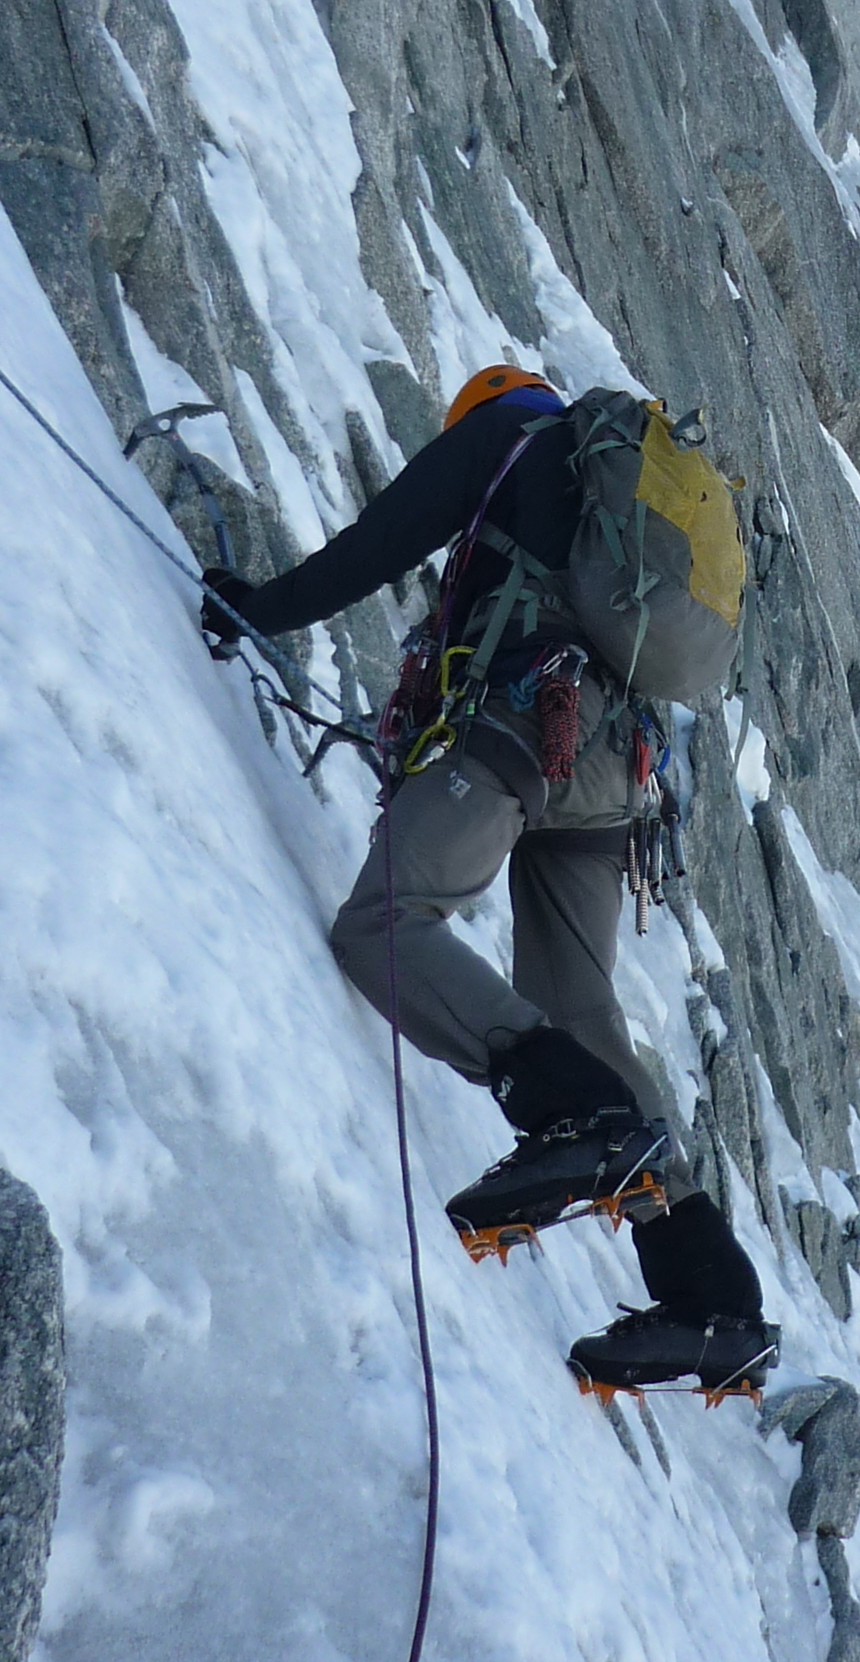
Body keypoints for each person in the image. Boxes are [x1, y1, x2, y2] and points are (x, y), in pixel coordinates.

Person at [203, 361, 776, 1401]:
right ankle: (712, 1297)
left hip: (529, 725)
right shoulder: (601, 510)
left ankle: (569, 1111)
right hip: (615, 783)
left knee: (383, 923)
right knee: (582, 1010)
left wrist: (257, 611)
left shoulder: (507, 432)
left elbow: (377, 547)